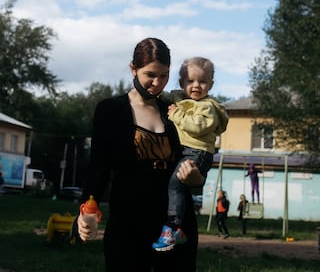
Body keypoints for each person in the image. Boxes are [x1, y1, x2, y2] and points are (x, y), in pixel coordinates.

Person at [75, 37, 204, 272]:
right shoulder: (111, 110)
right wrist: (85, 211)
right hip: (128, 221)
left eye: (164, 75)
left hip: (174, 223)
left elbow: (197, 153)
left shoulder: (176, 111)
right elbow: (98, 166)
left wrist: (198, 179)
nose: (157, 83)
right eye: (150, 75)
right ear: (133, 69)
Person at [152, 57, 229, 251]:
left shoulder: (207, 107)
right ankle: (177, 229)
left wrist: (176, 114)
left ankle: (172, 228)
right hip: (186, 151)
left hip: (198, 152)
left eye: (202, 81)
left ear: (210, 84)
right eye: (190, 81)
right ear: (181, 83)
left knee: (175, 184)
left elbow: (198, 127)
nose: (196, 86)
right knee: (174, 184)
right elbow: (165, 98)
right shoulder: (181, 98)